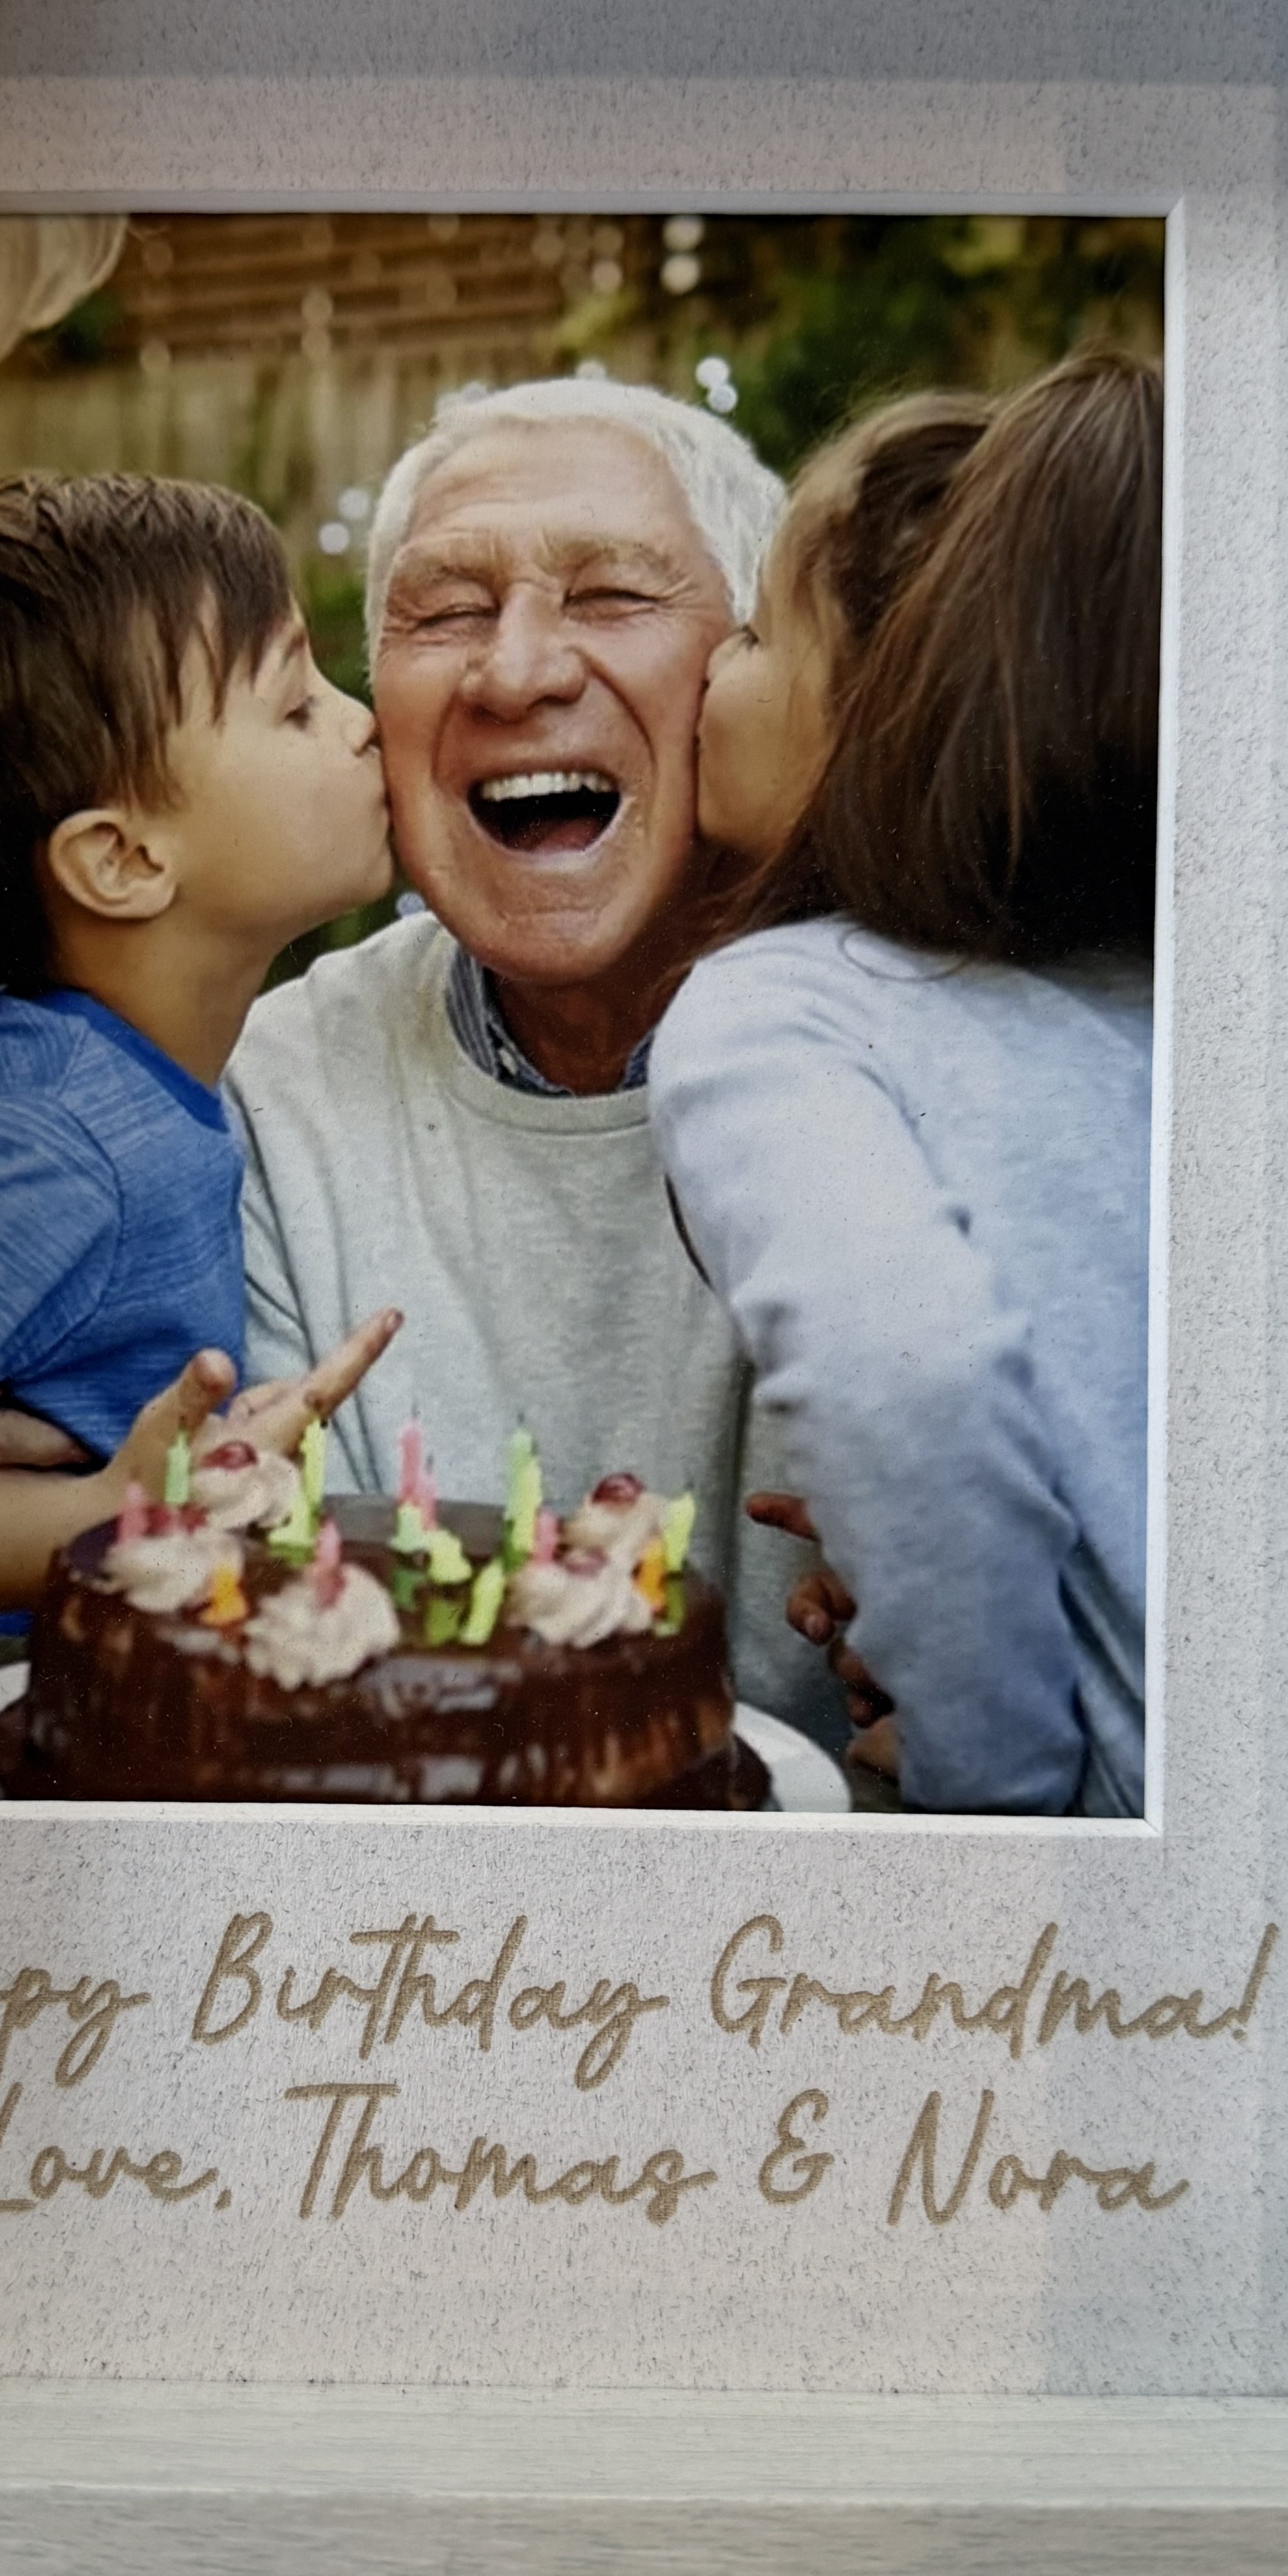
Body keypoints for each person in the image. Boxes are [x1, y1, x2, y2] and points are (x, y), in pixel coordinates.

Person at [222, 377, 845, 1745]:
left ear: (752, 670)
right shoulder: (274, 1085)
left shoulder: (921, 1060)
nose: (516, 671)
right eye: (444, 612)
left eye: (614, 596)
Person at [645, 353, 1161, 1815]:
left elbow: (913, 1375)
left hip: (1097, 1847)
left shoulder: (775, 1011)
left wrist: (980, 1792)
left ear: (880, 702)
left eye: (750, 633)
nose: (707, 674)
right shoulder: (1157, 995)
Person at [0, 471, 400, 1623]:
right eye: (295, 706)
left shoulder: (126, 1088)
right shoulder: (51, 1138)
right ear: (124, 862)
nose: (362, 718)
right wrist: (109, 1516)